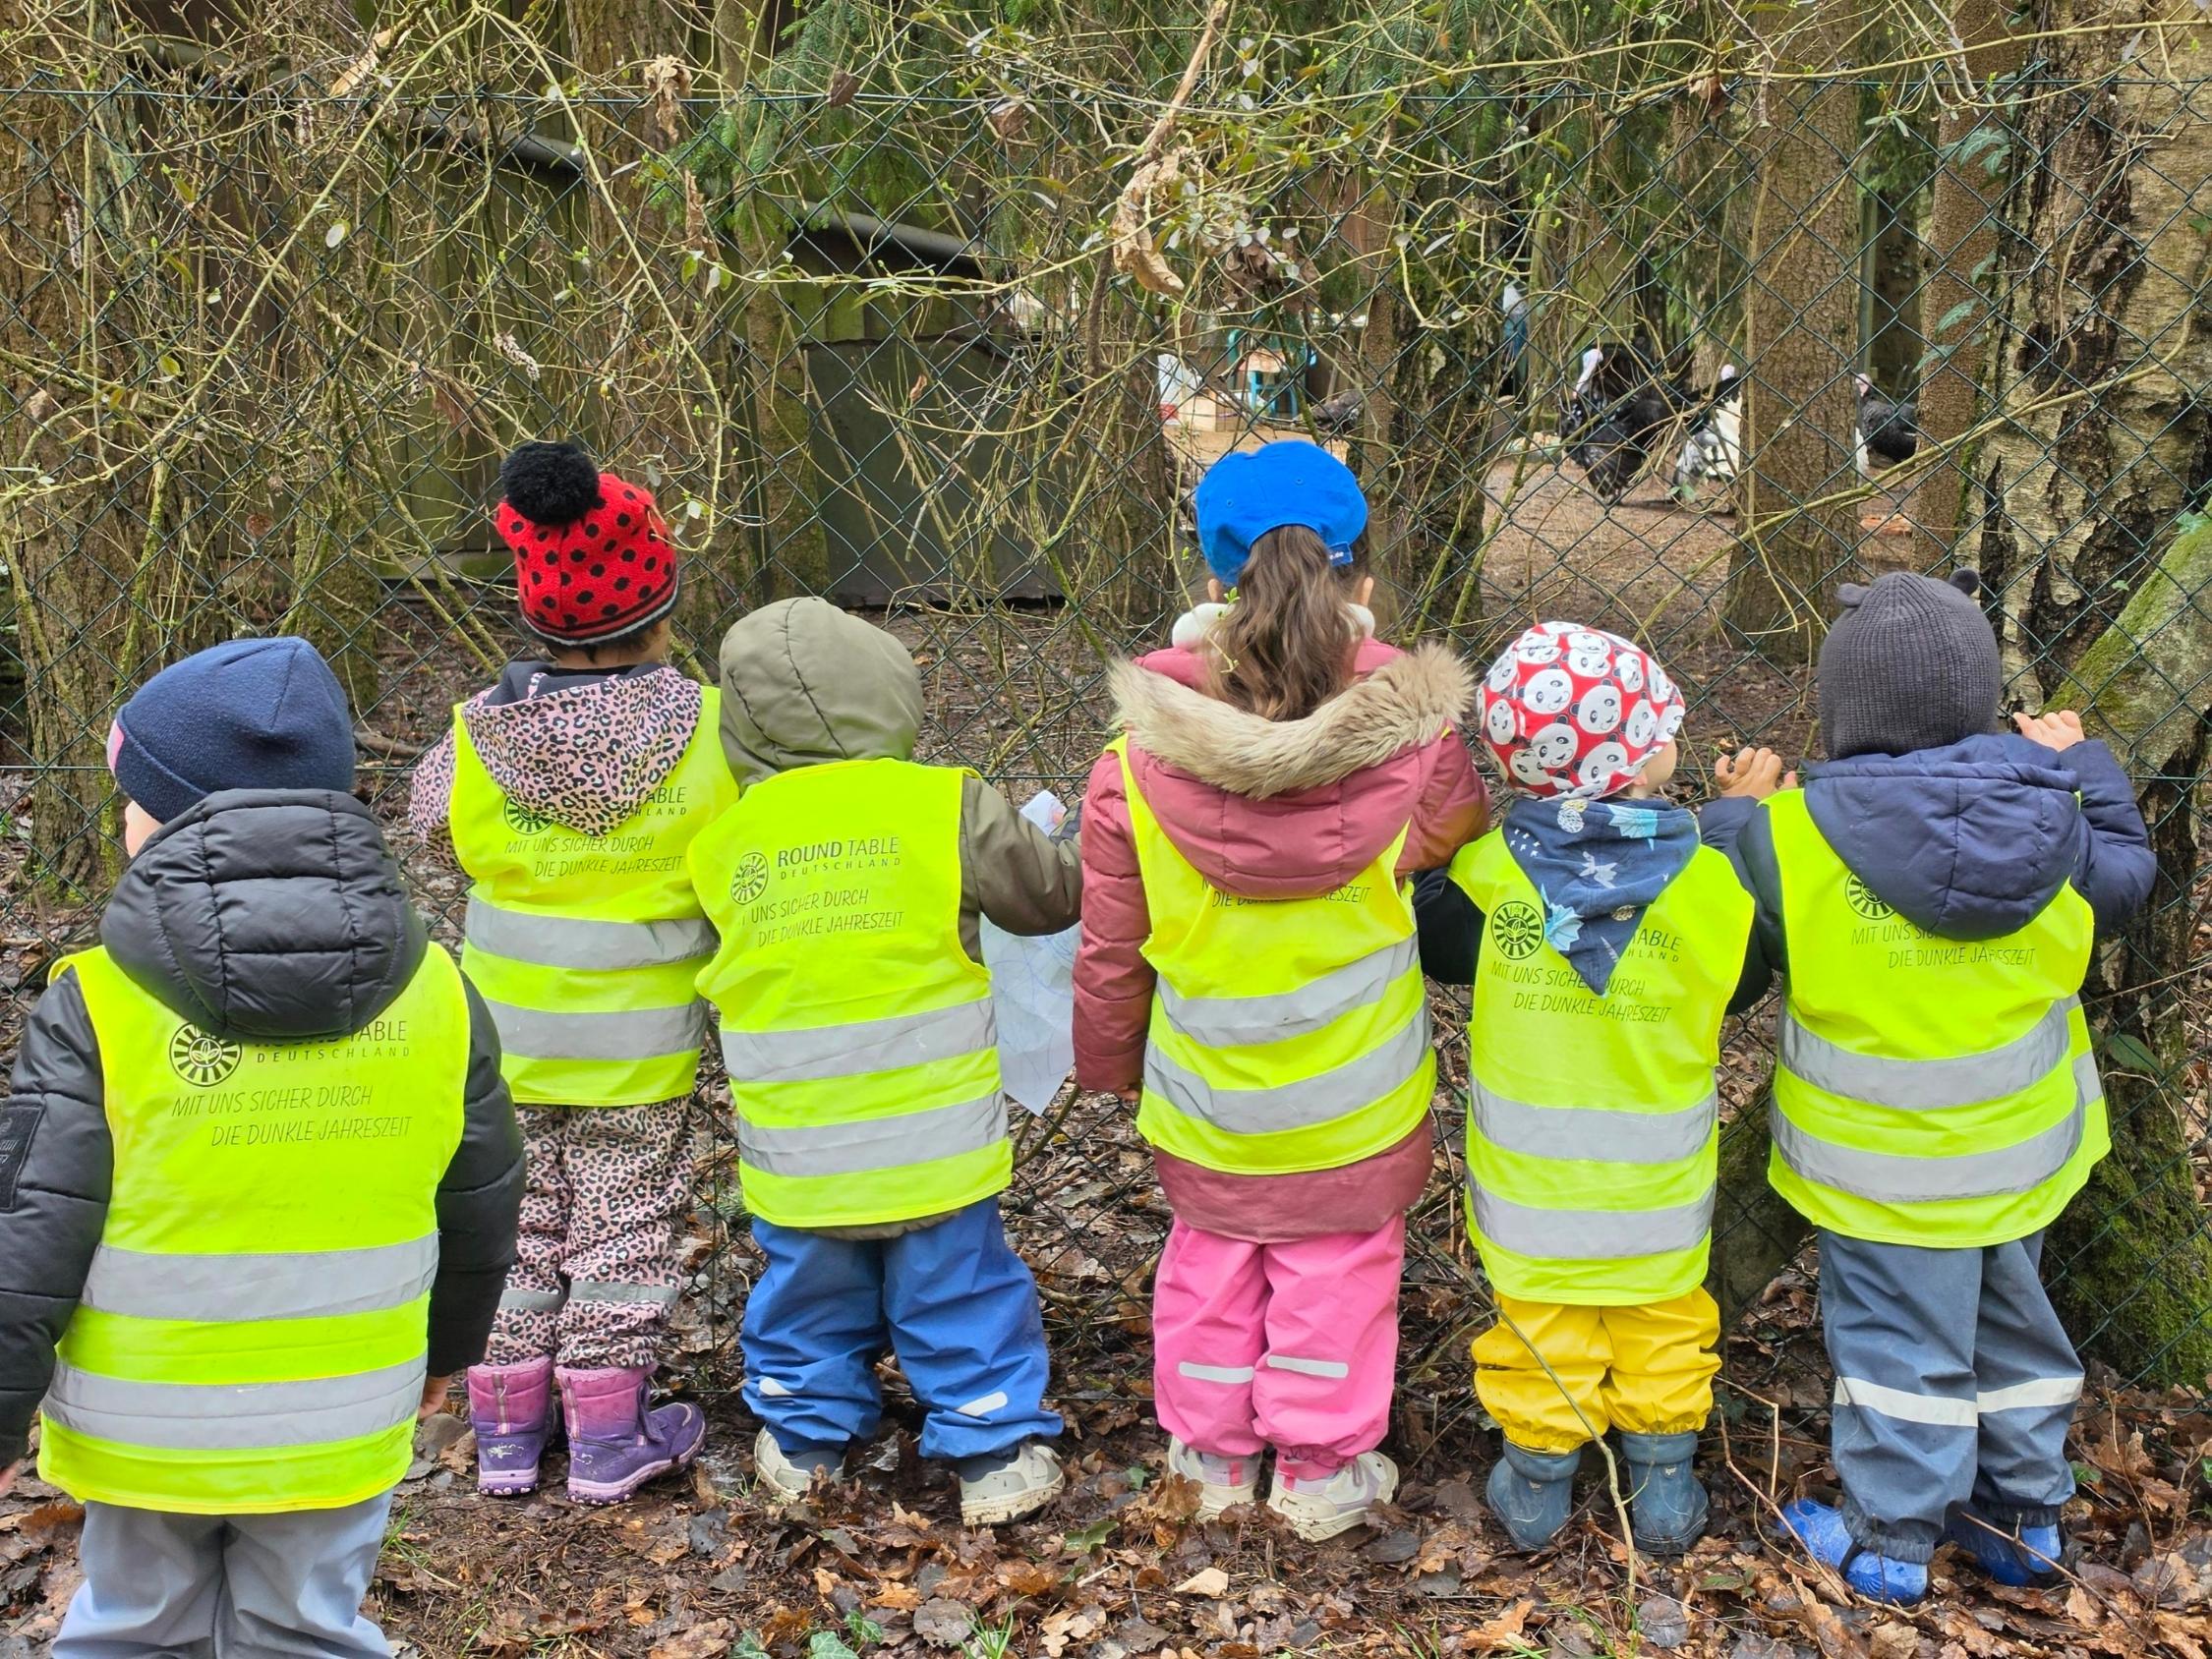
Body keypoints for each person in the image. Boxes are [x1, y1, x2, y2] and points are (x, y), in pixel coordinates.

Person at [0, 636, 523, 1656]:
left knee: (130, 1632)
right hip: (342, 1407)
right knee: (309, 1628)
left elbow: (32, 1235)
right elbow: (483, 1197)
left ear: (172, 814)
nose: (121, 817)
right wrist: (447, 1349)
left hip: (143, 1420)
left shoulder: (95, 1004)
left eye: (132, 794)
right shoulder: (441, 992)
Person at [1704, 571, 2155, 1604]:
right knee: (2016, 1333)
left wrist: (1736, 815)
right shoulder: (2063, 821)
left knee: (1898, 1349)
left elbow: (1731, 955)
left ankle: (1891, 1539)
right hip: (2022, 1157)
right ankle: (2023, 1521)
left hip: (1875, 1172)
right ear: (1984, 699)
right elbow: (2130, 876)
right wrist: (2082, 760)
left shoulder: (1790, 835)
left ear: (1842, 712)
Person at [1075, 440, 1486, 1541]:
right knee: (1339, 1273)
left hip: (1207, 1095)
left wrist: (1108, 1061)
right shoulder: (1421, 747)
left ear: (1212, 580)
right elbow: (1454, 839)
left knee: (1210, 1261)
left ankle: (1210, 1457)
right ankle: (1318, 1468)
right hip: (1355, 1098)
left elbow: (1113, 941)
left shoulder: (1133, 759)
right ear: (1361, 577)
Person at [688, 598, 1082, 1526]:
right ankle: (992, 1449)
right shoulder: (943, 801)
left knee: (806, 1293)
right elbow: (1048, 896)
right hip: (934, 1137)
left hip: (796, 1147)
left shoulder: (721, 842)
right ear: (889, 690)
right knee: (960, 1286)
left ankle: (802, 1438)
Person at [409, 439, 738, 1503]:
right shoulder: (712, 737)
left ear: (532, 612)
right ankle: (605, 1434)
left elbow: (429, 831)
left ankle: (505, 1435)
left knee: (517, 1227)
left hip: (505, 1045)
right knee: (624, 1225)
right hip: (639, 1053)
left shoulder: (471, 739)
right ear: (662, 607)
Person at [1414, 622, 1763, 1554]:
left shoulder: (1483, 878)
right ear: (1641, 753)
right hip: (1659, 1186)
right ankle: (1661, 1484)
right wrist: (1736, 820)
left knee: (1540, 1324)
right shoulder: (1710, 882)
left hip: (1530, 1191)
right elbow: (1749, 981)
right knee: (1663, 1323)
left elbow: (1437, 946)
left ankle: (1535, 1481)